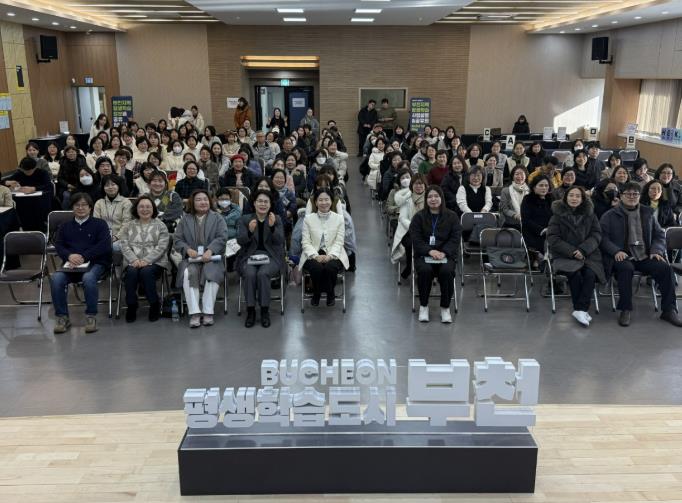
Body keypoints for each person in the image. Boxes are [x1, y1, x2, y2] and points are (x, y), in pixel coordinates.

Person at [599, 181, 682, 327]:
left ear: (639, 196)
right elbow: (602, 238)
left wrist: (656, 250)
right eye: (628, 194)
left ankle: (669, 310)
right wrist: (615, 251)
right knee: (626, 269)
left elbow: (659, 235)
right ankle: (625, 309)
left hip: (645, 255)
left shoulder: (647, 212)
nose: (632, 197)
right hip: (623, 255)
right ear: (621, 196)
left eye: (635, 194)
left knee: (665, 268)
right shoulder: (610, 215)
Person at [50, 193, 112, 334]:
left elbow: (104, 245)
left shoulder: (100, 224)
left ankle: (91, 316)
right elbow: (59, 245)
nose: (80, 208)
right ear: (72, 208)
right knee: (56, 279)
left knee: (88, 278)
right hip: (71, 265)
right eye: (77, 205)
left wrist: (84, 257)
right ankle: (62, 317)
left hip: (95, 263)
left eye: (84, 205)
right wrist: (69, 256)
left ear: (90, 208)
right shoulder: (65, 226)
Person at [547, 186, 605, 326]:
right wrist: (573, 252)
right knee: (575, 273)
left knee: (590, 274)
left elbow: (596, 235)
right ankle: (581, 309)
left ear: (583, 199)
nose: (574, 198)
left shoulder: (591, 215)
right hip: (565, 255)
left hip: (588, 254)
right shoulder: (557, 216)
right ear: (566, 197)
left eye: (578, 196)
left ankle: (580, 309)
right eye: (571, 195)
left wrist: (583, 250)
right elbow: (553, 238)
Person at [174, 189, 228, 328]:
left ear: (210, 201)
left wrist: (210, 250)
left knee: (212, 273)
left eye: (205, 199)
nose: (203, 202)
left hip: (212, 258)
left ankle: (208, 312)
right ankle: (195, 313)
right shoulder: (185, 220)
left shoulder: (218, 218)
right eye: (198, 200)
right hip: (191, 259)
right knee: (188, 273)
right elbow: (177, 240)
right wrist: (187, 249)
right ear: (192, 202)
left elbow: (222, 237)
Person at [409, 185, 461, 323]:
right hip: (424, 254)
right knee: (424, 271)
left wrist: (444, 252)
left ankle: (445, 307)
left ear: (441, 198)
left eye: (436, 196)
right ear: (426, 199)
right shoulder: (418, 217)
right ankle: (423, 306)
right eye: (430, 197)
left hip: (446, 255)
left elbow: (455, 238)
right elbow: (416, 239)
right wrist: (430, 251)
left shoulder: (452, 216)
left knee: (447, 271)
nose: (433, 199)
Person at [236, 190, 286, 328]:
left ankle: (264, 311)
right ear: (254, 203)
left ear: (270, 204)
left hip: (271, 256)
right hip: (249, 255)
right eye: (260, 201)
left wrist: (272, 227)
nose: (263, 204)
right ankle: (251, 311)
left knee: (263, 273)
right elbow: (240, 241)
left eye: (266, 202)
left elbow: (280, 240)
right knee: (250, 274)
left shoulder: (276, 218)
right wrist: (249, 232)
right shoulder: (245, 219)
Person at [119, 195, 170, 323]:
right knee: (131, 273)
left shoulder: (161, 226)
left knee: (146, 272)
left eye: (148, 207)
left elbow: (162, 247)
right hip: (133, 262)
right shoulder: (128, 226)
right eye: (141, 207)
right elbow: (124, 245)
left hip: (156, 262)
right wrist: (134, 260)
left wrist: (147, 260)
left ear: (153, 209)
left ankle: (154, 303)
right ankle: (132, 305)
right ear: (136, 209)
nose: (145, 209)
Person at [301, 188, 349, 306]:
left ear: (331, 201)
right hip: (312, 253)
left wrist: (330, 256)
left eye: (326, 199)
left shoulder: (339, 219)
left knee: (330, 267)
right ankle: (318, 293)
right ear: (316, 202)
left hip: (335, 253)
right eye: (320, 200)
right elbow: (305, 242)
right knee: (316, 268)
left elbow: (339, 241)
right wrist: (315, 256)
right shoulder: (308, 219)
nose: (324, 203)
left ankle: (329, 293)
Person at [3, 157, 52, 231]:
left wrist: (34, 188)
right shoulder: (20, 173)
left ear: (35, 168)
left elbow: (48, 186)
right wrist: (7, 182)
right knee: (18, 204)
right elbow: (3, 182)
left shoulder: (42, 173)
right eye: (25, 171)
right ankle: (24, 227)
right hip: (23, 200)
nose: (26, 173)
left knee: (39, 205)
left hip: (39, 199)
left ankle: (41, 228)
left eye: (29, 171)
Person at [391, 172, 426, 278]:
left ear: (425, 185)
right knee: (411, 243)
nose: (418, 186)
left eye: (421, 184)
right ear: (412, 186)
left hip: (427, 230)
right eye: (416, 184)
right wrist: (415, 227)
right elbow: (402, 218)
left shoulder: (430, 197)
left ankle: (425, 268)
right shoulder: (407, 199)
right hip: (409, 230)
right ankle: (410, 265)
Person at [93, 175, 132, 251]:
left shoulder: (126, 202)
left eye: (113, 184)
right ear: (103, 188)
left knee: (114, 246)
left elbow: (127, 224)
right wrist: (102, 237)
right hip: (102, 236)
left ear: (118, 186)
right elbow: (96, 223)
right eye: (107, 185)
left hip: (120, 237)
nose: (110, 187)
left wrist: (116, 237)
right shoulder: (99, 203)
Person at [521, 175, 553, 255]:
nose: (544, 188)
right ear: (534, 187)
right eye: (541, 185)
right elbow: (526, 220)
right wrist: (542, 230)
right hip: (533, 233)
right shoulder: (528, 199)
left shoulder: (551, 199)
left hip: (550, 232)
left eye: (546, 185)